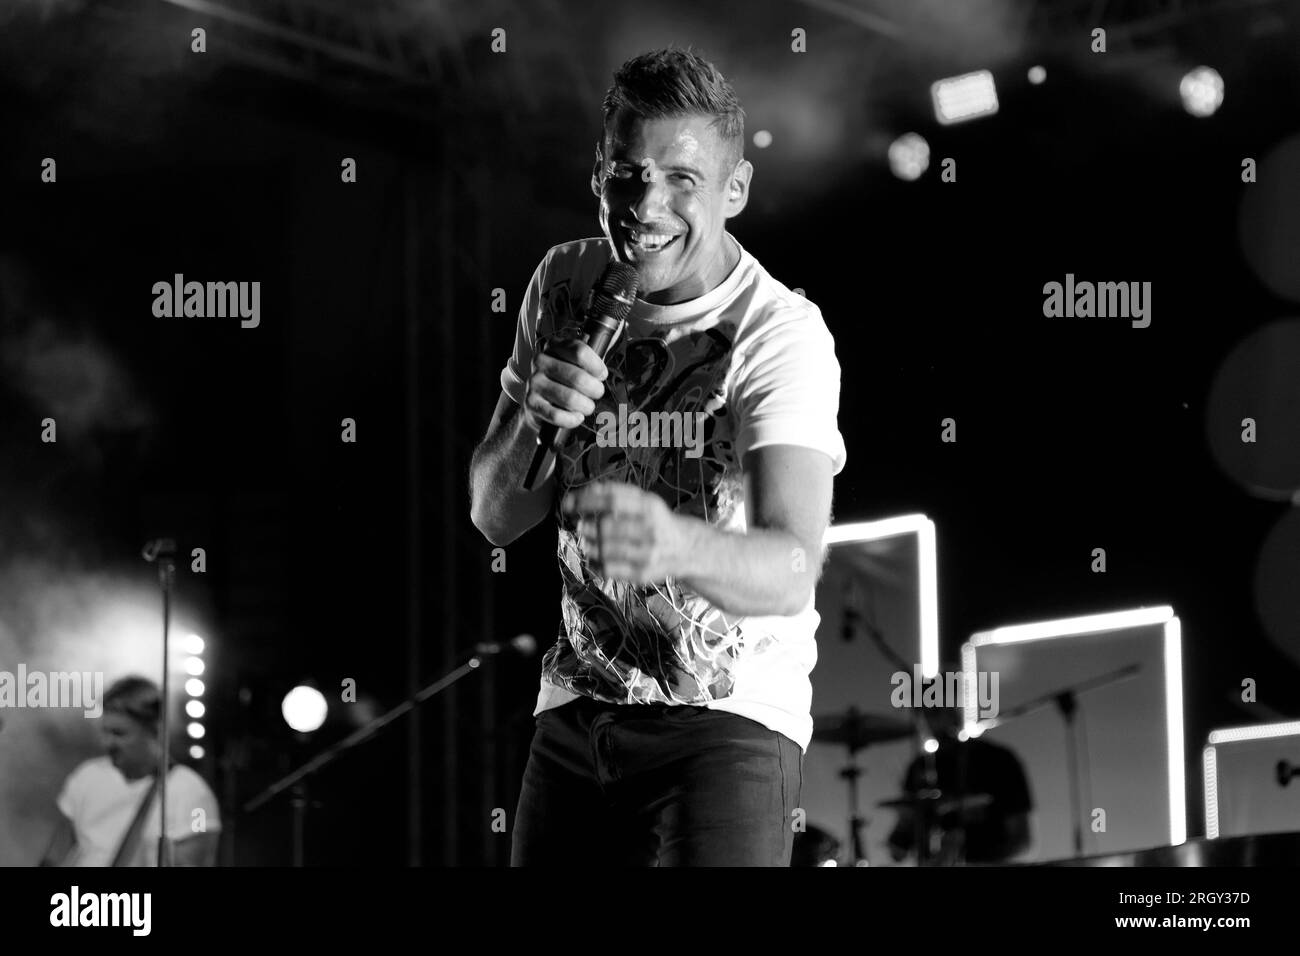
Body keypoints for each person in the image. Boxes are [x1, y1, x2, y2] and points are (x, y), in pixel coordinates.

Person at [470, 47, 847, 866]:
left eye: (683, 178)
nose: (647, 205)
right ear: (598, 171)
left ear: (734, 191)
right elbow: (495, 518)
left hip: (727, 720)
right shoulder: (564, 282)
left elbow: (790, 567)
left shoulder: (778, 334)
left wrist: (673, 545)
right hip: (576, 706)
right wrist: (535, 411)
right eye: (627, 173)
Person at [40, 676, 221, 867]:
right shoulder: (86, 776)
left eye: (119, 733)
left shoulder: (193, 795)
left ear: (155, 731)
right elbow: (55, 854)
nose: (107, 743)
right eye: (105, 732)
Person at [886, 708, 1034, 865]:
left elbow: (1022, 842)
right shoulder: (919, 768)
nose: (932, 723)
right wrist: (900, 837)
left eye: (937, 712)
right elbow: (899, 849)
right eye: (925, 715)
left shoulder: (999, 760)